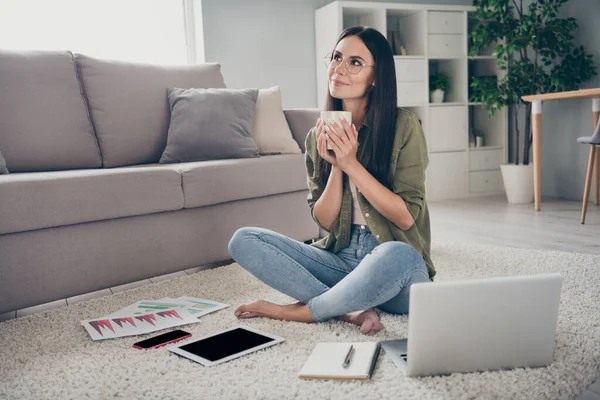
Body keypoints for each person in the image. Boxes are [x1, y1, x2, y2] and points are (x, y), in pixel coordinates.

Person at [227, 26, 435, 335]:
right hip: (340, 260)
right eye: (337, 57)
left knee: (399, 255)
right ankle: (350, 309)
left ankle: (301, 313)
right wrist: (337, 166)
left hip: (394, 268)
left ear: (375, 78)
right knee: (243, 240)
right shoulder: (316, 136)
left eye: (354, 62)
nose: (339, 68)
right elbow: (324, 220)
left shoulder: (404, 126)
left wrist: (352, 164)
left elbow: (405, 218)